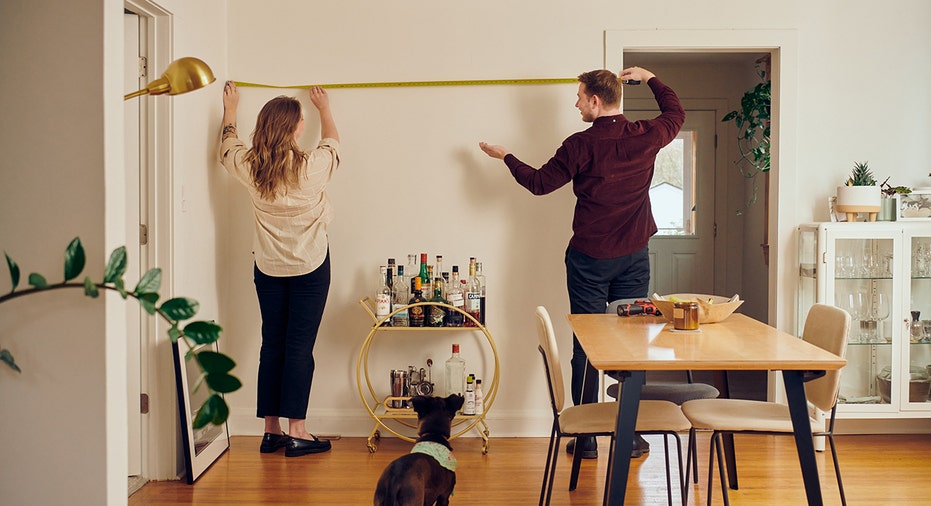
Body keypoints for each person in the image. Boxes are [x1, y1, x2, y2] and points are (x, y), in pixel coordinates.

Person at [479, 66, 684, 458]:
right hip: (634, 259)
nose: (575, 103)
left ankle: (587, 437)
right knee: (632, 345)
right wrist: (651, 77)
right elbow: (676, 112)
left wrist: (505, 155)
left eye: (579, 97)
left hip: (589, 261)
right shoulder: (647, 135)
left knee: (585, 346)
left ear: (594, 100)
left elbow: (539, 184)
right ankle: (630, 434)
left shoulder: (579, 145)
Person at [219, 81, 341, 457]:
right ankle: (298, 432)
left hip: (269, 268)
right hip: (310, 266)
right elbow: (334, 142)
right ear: (295, 128)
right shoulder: (312, 168)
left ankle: (270, 431)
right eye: (301, 119)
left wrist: (230, 108)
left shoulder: (251, 168)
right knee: (299, 349)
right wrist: (324, 108)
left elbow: (227, 146)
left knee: (272, 344)